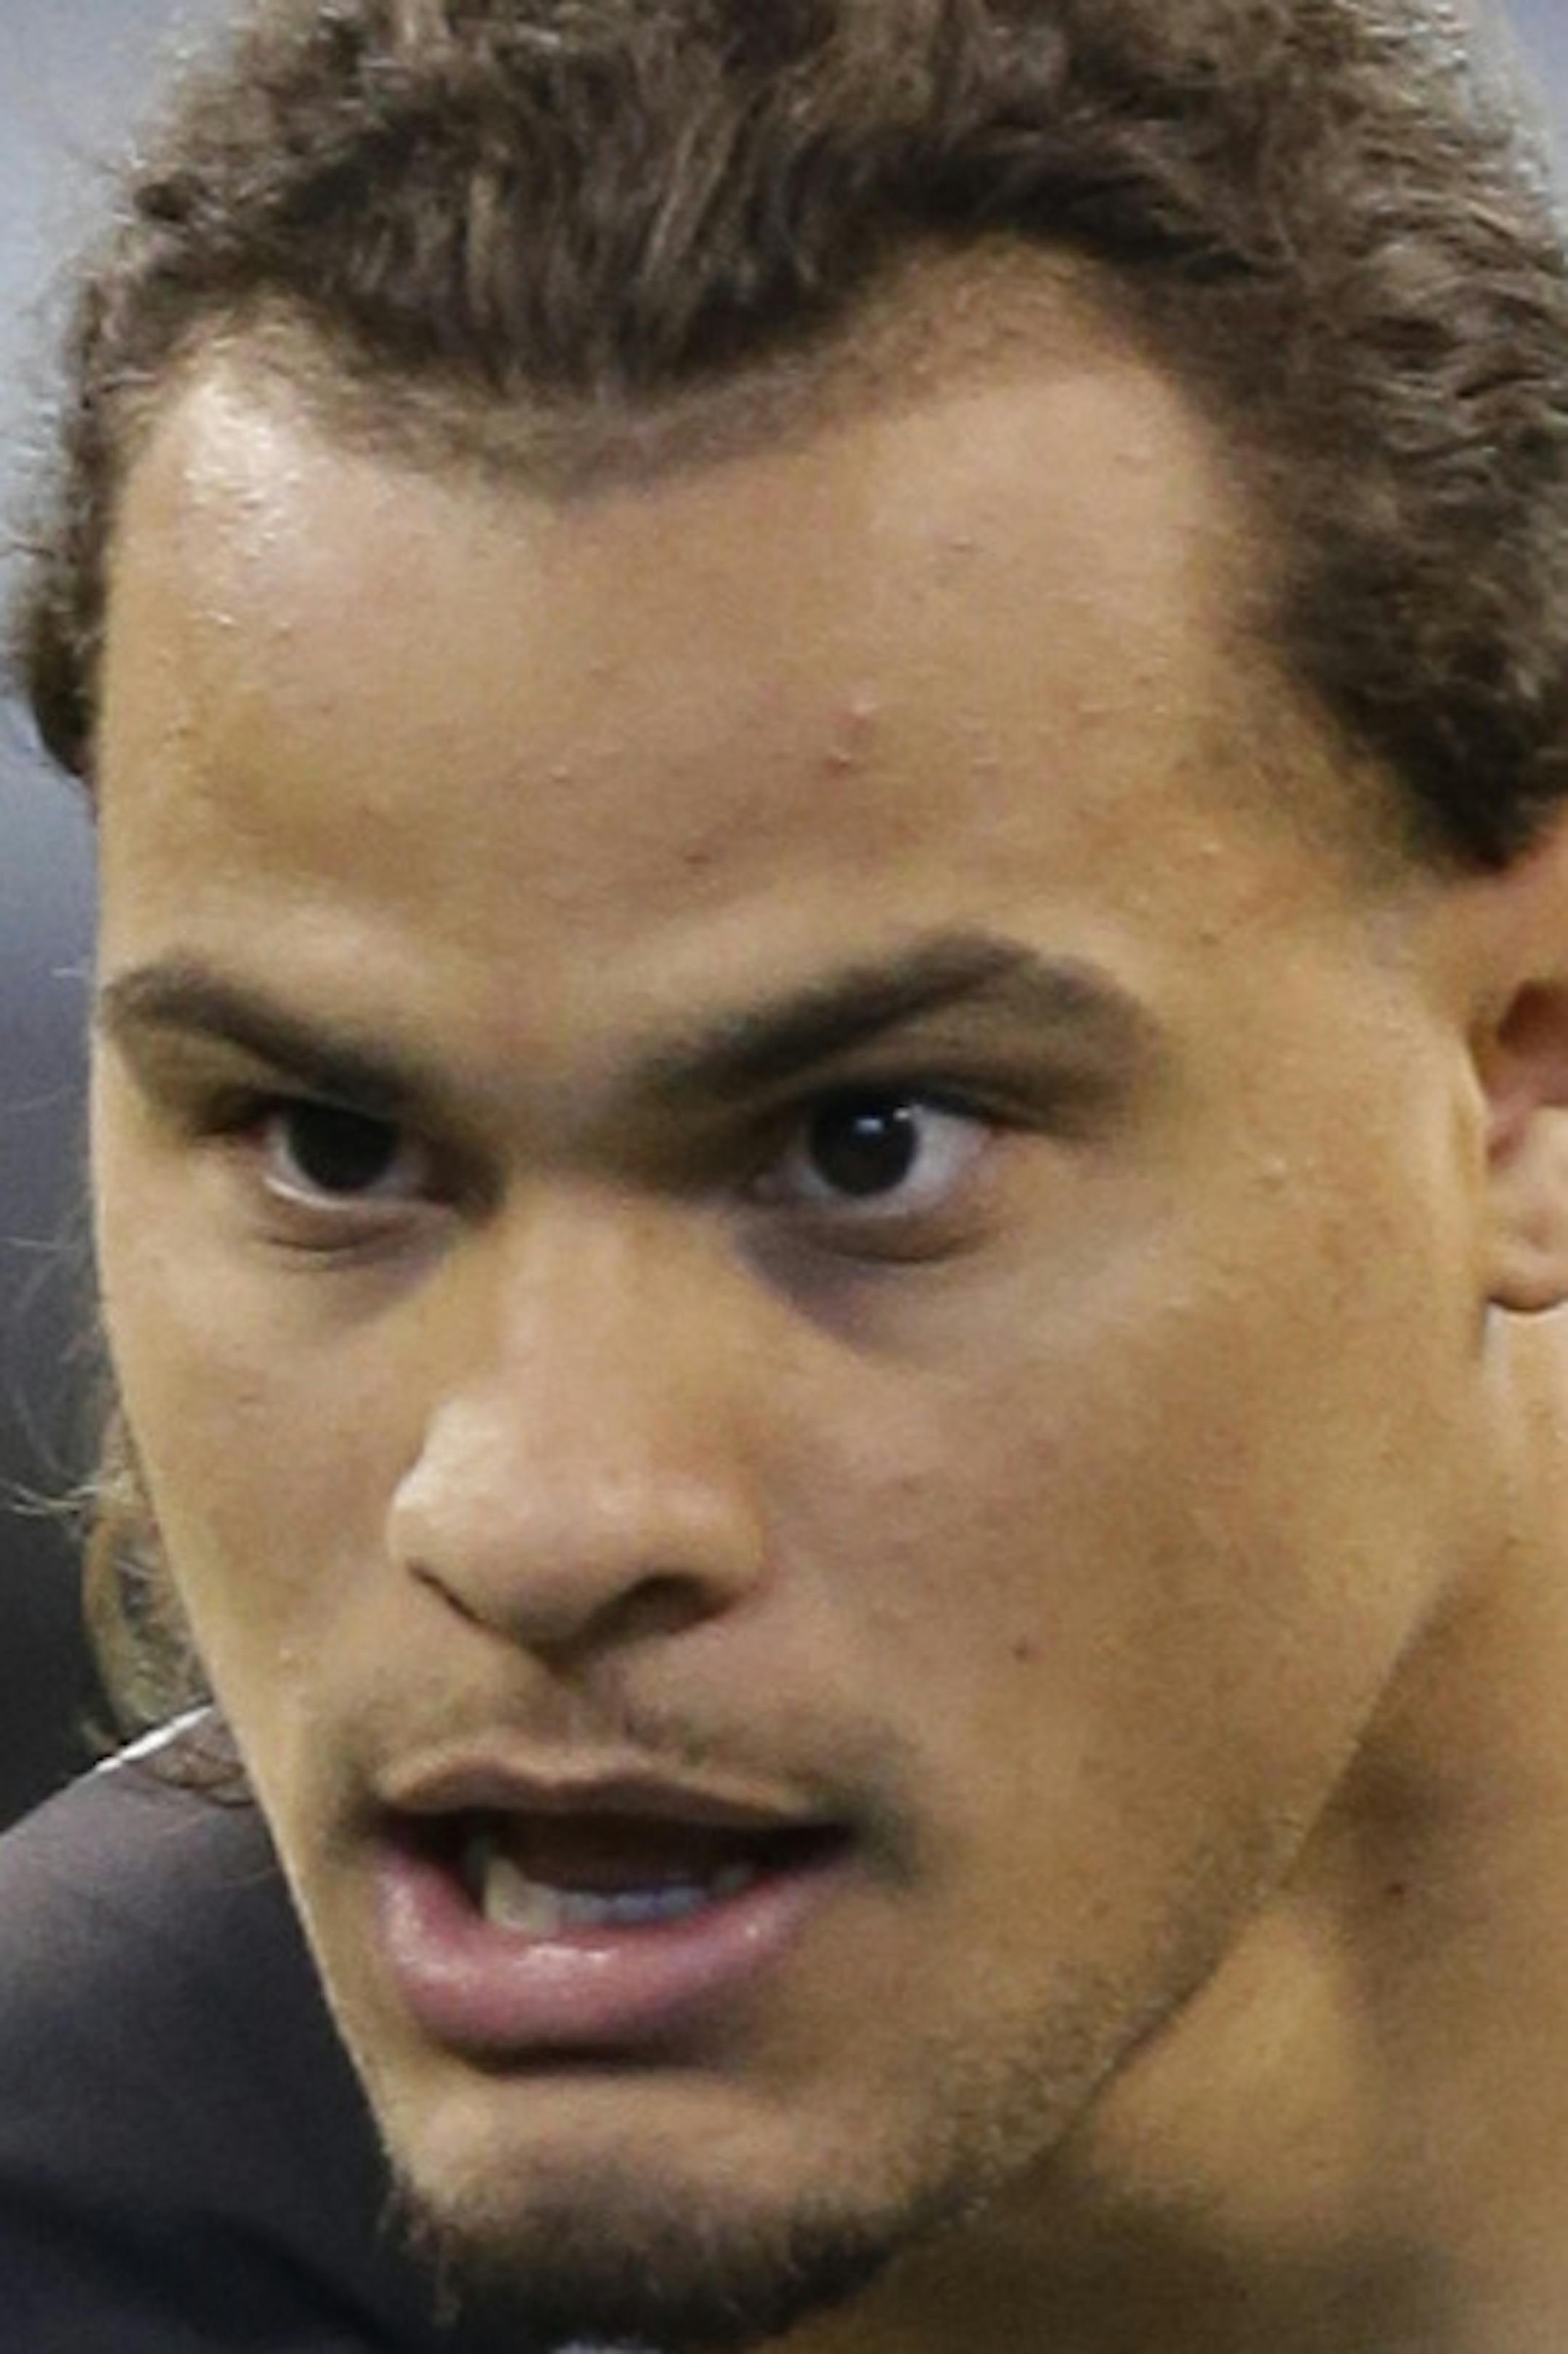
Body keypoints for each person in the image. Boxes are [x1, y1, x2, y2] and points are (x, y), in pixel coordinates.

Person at [5, 0, 1568, 2347]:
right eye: (333, 1143)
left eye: (869, 1148)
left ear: (1520, 1068)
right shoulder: (91, 2216)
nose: (528, 1517)